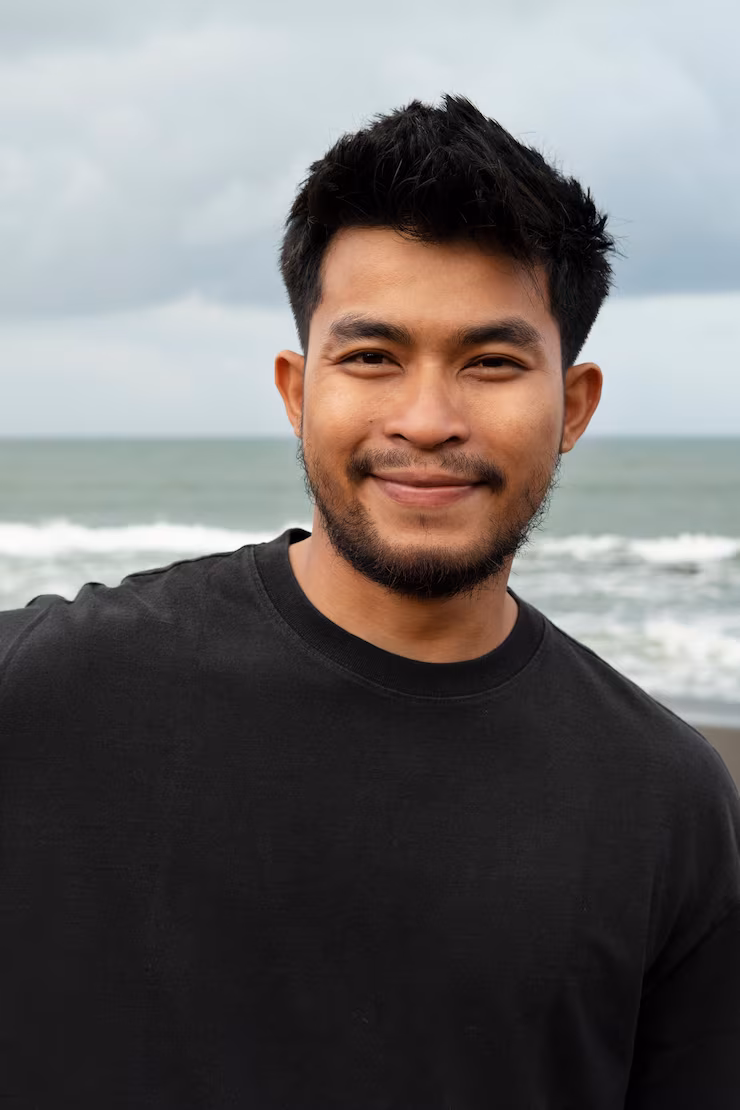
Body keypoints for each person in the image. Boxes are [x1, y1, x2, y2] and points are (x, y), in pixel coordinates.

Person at [1, 96, 738, 1110]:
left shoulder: (667, 802)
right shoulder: (45, 691)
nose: (427, 421)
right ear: (297, 391)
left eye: (490, 363)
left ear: (571, 406)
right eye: (371, 357)